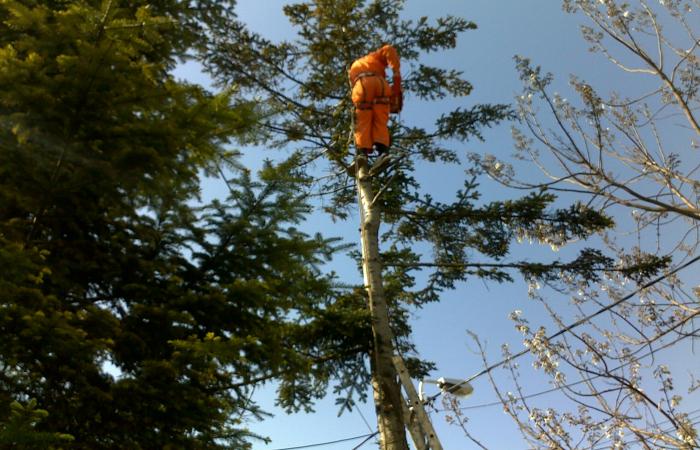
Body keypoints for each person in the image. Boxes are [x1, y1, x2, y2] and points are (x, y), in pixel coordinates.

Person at [348, 44, 402, 163]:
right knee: (380, 121)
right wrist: (396, 72)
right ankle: (383, 153)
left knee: (363, 120)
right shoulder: (373, 57)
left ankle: (362, 154)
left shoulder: (353, 70)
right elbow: (388, 49)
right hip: (379, 85)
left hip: (361, 87)